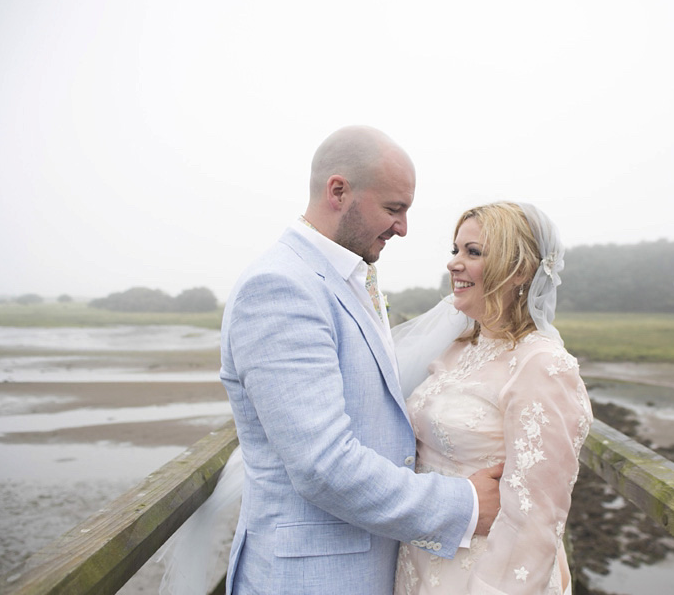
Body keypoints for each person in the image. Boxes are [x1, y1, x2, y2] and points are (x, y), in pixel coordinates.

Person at [214, 126, 503, 594]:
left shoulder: (348, 274)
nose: (403, 228)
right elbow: (323, 464)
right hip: (310, 578)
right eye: (393, 209)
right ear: (338, 191)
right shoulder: (281, 287)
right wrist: (464, 504)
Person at [391, 202, 594, 595]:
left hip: (479, 573)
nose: (454, 263)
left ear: (520, 271)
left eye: (473, 252)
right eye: (455, 250)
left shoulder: (542, 364)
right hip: (419, 561)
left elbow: (536, 516)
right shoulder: (454, 348)